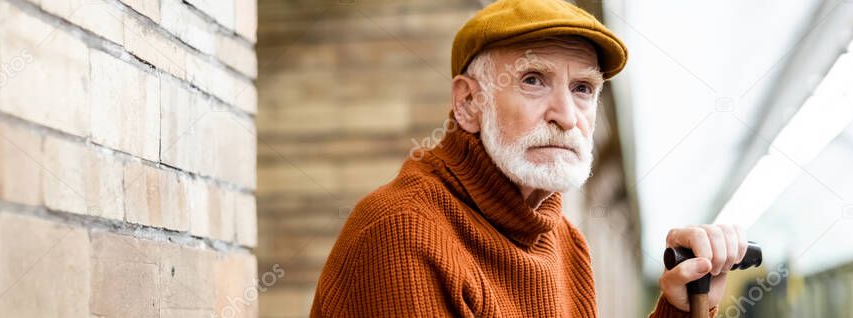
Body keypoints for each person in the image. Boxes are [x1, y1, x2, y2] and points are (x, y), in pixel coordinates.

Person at [310, 0, 746, 316]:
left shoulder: (565, 241)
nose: (566, 116)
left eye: (583, 89)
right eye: (534, 80)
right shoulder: (402, 234)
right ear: (469, 103)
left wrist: (682, 308)